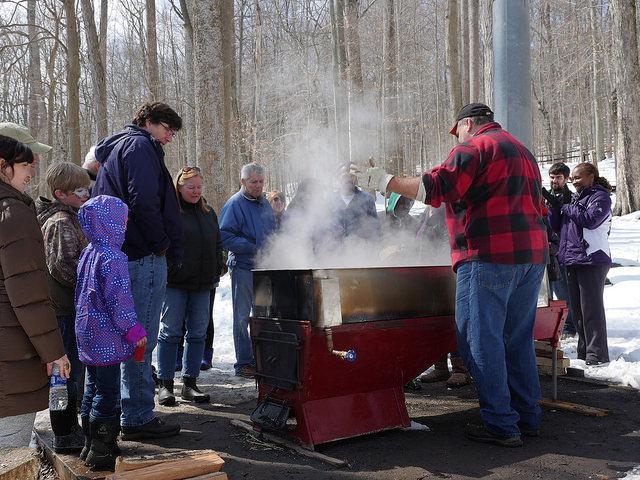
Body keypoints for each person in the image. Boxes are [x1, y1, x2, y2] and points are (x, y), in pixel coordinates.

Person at [353, 103, 548, 447]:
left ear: (468, 124)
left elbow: (436, 187)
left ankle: (501, 424)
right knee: (516, 341)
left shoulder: (474, 148)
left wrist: (387, 181)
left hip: (487, 257)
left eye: (456, 131)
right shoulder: (523, 151)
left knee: (479, 340)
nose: (455, 138)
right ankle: (527, 417)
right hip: (530, 259)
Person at [92, 101, 183, 439]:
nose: (169, 137)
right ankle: (138, 415)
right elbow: (142, 199)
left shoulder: (116, 147)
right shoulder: (141, 146)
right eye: (166, 129)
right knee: (139, 337)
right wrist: (160, 242)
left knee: (123, 335)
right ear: (148, 122)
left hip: (121, 252)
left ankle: (116, 411)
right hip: (141, 254)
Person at [0, 135, 70, 447]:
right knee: (9, 457)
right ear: (4, 167)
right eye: (26, 163)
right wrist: (54, 352)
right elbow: (27, 294)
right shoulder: (12, 214)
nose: (32, 170)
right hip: (10, 357)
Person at [75, 195, 147, 470]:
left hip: (87, 333)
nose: (126, 224)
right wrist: (135, 332)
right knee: (108, 391)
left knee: (92, 387)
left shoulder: (89, 251)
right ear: (110, 222)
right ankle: (102, 448)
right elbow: (120, 302)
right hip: (106, 336)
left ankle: (90, 443)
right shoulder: (113, 257)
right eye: (123, 219)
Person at [36, 162, 91, 453]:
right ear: (60, 193)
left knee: (70, 372)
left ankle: (68, 426)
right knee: (64, 374)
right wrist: (87, 287)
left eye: (87, 188)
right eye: (79, 190)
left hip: (67, 308)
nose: (85, 194)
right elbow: (61, 265)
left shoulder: (71, 217)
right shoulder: (60, 221)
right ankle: (64, 430)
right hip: (63, 309)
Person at [157, 166, 224, 405]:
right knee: (171, 332)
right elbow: (162, 243)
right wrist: (171, 267)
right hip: (175, 283)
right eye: (190, 187)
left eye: (198, 187)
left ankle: (190, 383)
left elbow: (218, 241)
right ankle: (165, 384)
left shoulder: (208, 212)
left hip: (203, 283)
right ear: (179, 186)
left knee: (198, 332)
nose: (195, 191)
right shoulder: (171, 212)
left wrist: (220, 264)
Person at [549, 162, 612, 366]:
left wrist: (566, 206)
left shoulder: (600, 197)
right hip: (573, 259)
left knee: (591, 309)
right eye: (573, 178)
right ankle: (585, 353)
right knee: (577, 311)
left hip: (592, 259)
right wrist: (554, 207)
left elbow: (590, 220)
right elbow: (557, 227)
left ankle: (597, 355)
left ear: (591, 176)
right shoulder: (575, 198)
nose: (574, 181)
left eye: (578, 177)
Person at [219, 163, 275, 378]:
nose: (258, 186)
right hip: (243, 267)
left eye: (261, 181)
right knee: (242, 317)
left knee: (263, 315)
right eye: (254, 182)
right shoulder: (234, 204)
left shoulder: (264, 203)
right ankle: (243, 362)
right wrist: (254, 247)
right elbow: (225, 236)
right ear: (243, 182)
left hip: (265, 267)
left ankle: (263, 358)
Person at [541, 162, 576, 337]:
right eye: (552, 177)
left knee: (562, 288)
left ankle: (570, 324)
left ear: (566, 178)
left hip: (561, 247)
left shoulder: (569, 197)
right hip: (546, 245)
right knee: (548, 288)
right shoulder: (545, 196)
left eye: (558, 177)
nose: (555, 180)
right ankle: (554, 323)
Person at [336, 169, 378, 239]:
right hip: (334, 247)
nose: (348, 179)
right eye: (345, 176)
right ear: (338, 178)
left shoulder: (367, 199)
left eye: (352, 176)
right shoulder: (329, 200)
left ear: (356, 178)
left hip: (361, 247)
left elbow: (375, 227)